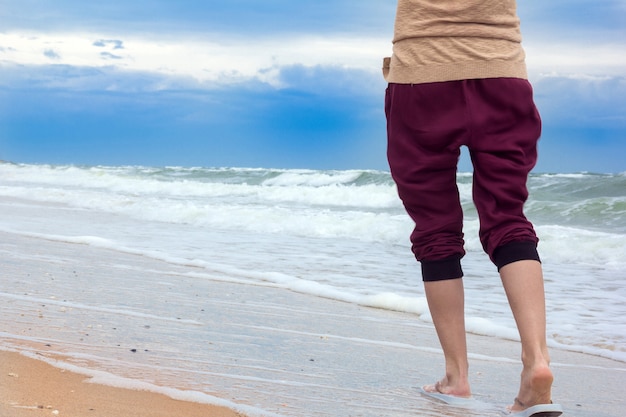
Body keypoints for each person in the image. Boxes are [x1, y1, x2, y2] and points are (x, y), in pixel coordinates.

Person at [383, 1, 562, 416]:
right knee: (508, 217)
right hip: (501, 73)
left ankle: (456, 376)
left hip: (421, 78)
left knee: (435, 229)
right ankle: (536, 360)